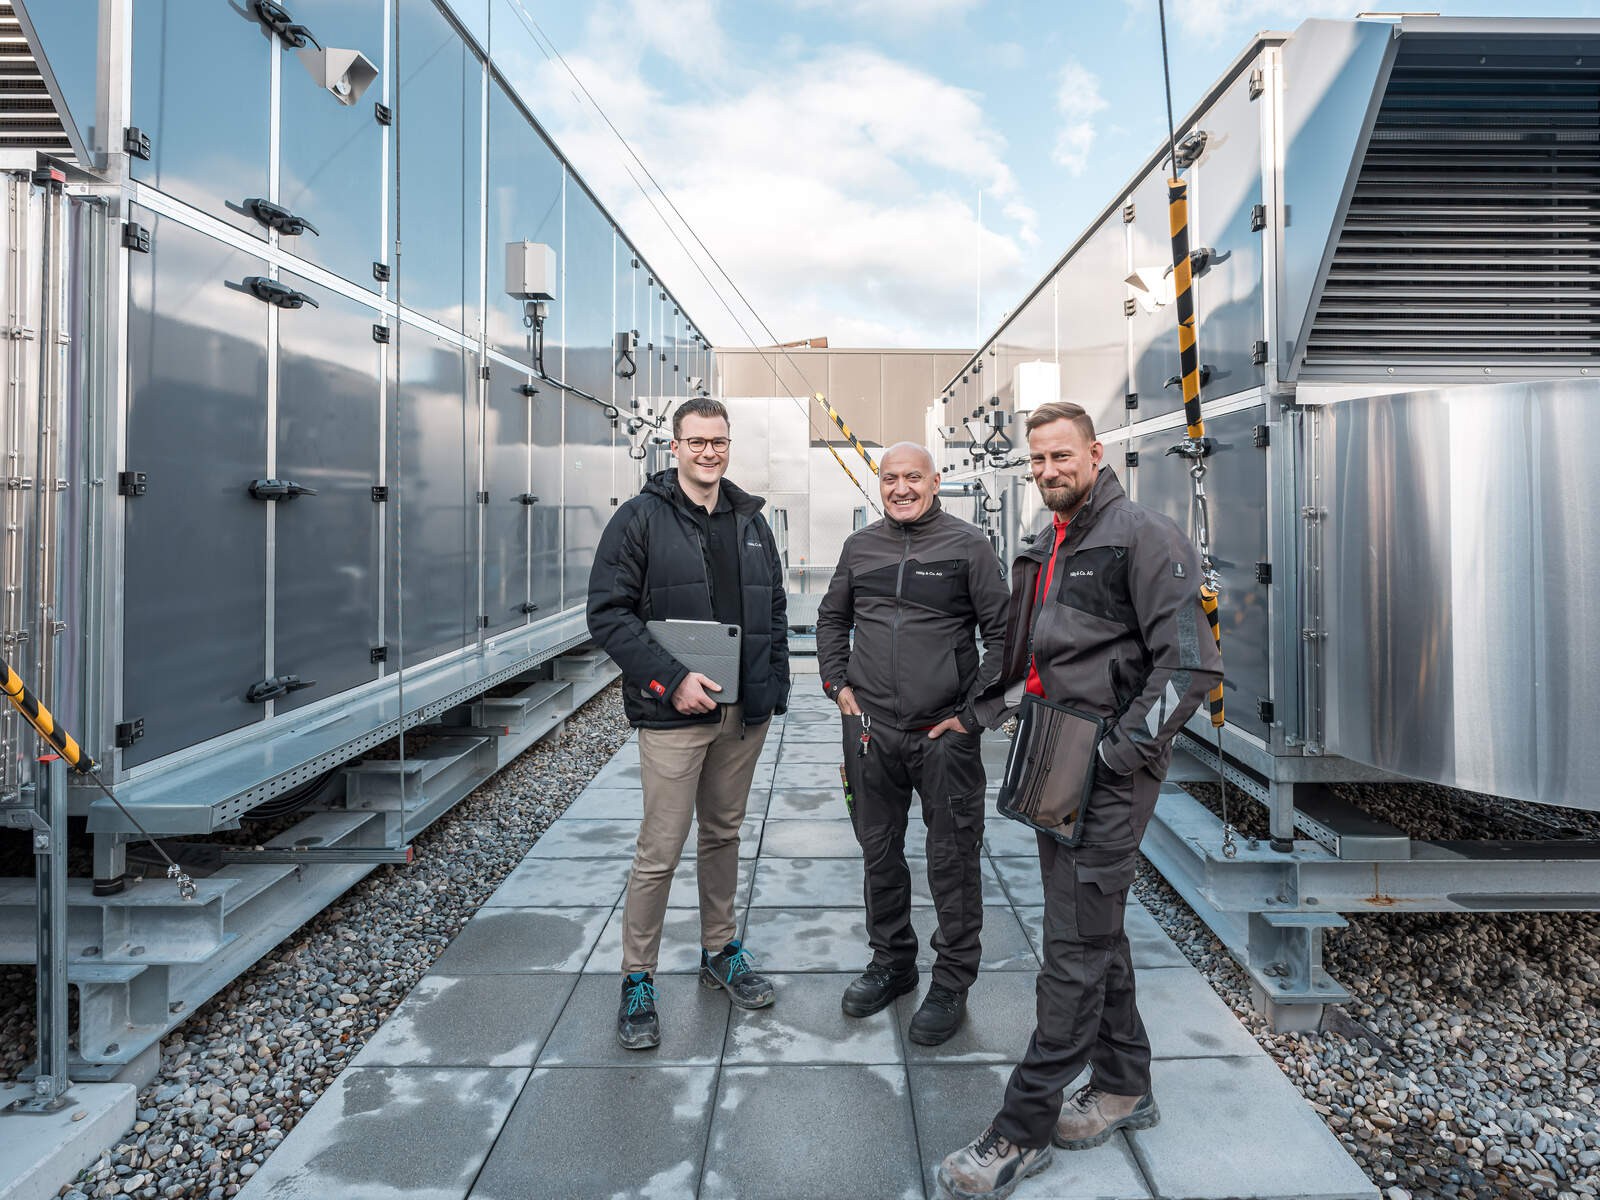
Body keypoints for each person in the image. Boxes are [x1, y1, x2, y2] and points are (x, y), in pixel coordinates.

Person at [937, 401, 1223, 1199]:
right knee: (1092, 928)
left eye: (1062, 455)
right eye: (1037, 459)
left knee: (1072, 948)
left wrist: (1116, 753)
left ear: (1097, 453)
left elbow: (1191, 668)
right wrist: (978, 714)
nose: (1048, 470)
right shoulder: (1045, 543)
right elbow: (1029, 658)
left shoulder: (1145, 537)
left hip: (1104, 773)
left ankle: (1021, 1129)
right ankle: (1125, 1083)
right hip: (1052, 760)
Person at [586, 396, 790, 1050]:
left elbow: (774, 609)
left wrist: (774, 688)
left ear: (729, 445)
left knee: (723, 834)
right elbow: (607, 614)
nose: (709, 452)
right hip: (674, 713)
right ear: (674, 447)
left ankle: (719, 950)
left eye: (718, 441)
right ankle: (637, 977)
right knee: (660, 850)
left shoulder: (751, 521)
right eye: (696, 441)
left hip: (742, 714)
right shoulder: (639, 519)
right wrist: (670, 680)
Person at [816, 442, 1009, 1045]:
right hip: (870, 730)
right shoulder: (860, 547)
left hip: (942, 735)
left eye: (913, 478)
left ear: (935, 481)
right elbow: (831, 619)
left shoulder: (969, 547)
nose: (901, 488)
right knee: (878, 851)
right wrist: (837, 685)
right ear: (880, 484)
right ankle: (893, 962)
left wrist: (973, 715)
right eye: (890, 479)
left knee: (953, 859)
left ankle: (951, 981)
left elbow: (1005, 635)